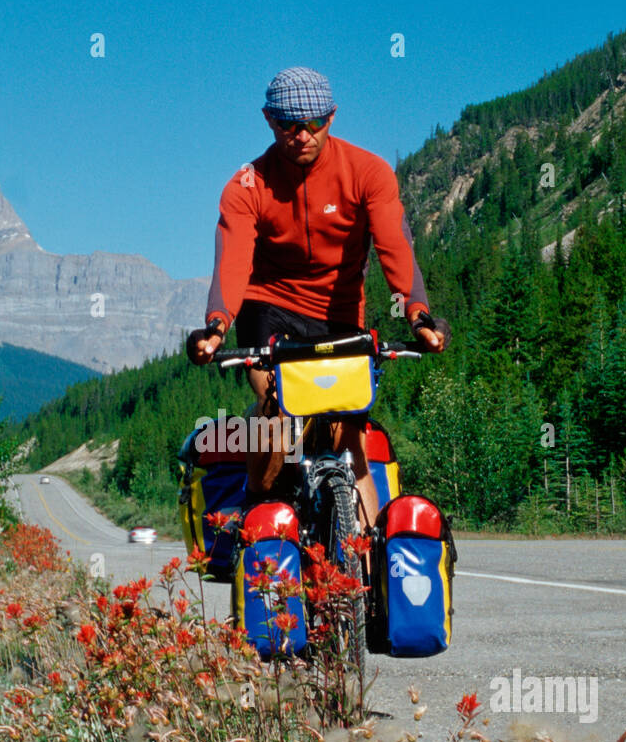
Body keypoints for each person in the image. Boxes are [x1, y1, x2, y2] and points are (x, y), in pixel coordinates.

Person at [187, 66, 447, 528]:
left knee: (350, 441)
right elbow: (233, 260)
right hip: (270, 309)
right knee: (281, 417)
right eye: (289, 124)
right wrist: (216, 326)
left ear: (332, 117)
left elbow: (394, 245)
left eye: (315, 123)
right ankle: (256, 513)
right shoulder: (247, 186)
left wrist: (418, 314)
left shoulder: (368, 172)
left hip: (340, 313)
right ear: (269, 119)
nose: (302, 135)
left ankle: (366, 575)